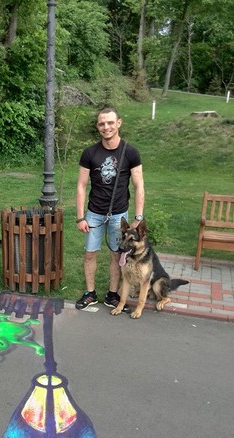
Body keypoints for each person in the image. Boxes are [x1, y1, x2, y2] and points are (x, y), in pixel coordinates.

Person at [75, 107, 145, 311]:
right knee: (90, 254)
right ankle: (90, 293)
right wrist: (80, 217)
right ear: (98, 126)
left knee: (117, 255)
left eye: (110, 123)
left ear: (118, 123)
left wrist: (138, 216)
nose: (106, 127)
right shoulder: (90, 153)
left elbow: (139, 184)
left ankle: (112, 294)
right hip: (94, 214)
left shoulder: (131, 152)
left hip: (119, 215)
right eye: (102, 123)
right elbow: (81, 185)